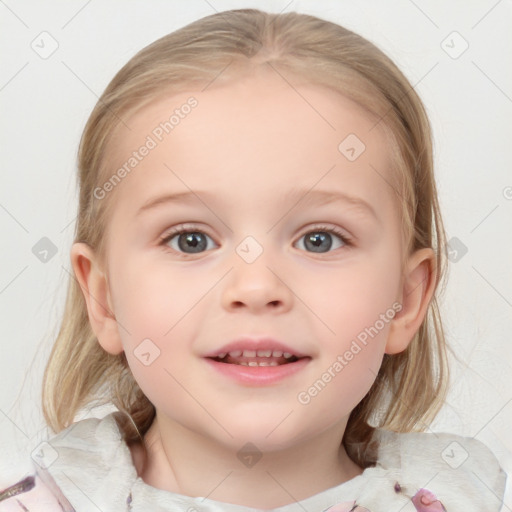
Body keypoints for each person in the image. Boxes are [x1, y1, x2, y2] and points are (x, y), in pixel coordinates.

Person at [0, 8, 506, 512]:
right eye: (191, 240)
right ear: (104, 299)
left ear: (406, 299)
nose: (257, 286)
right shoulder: (42, 501)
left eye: (320, 240)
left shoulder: (461, 497)